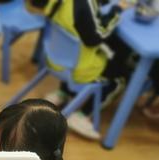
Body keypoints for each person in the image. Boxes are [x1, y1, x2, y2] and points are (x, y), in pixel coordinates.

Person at [39, 0, 134, 140]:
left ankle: (63, 92)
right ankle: (82, 115)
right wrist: (116, 11)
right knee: (121, 78)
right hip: (78, 68)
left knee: (78, 40)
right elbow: (97, 37)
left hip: (55, 56)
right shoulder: (87, 4)